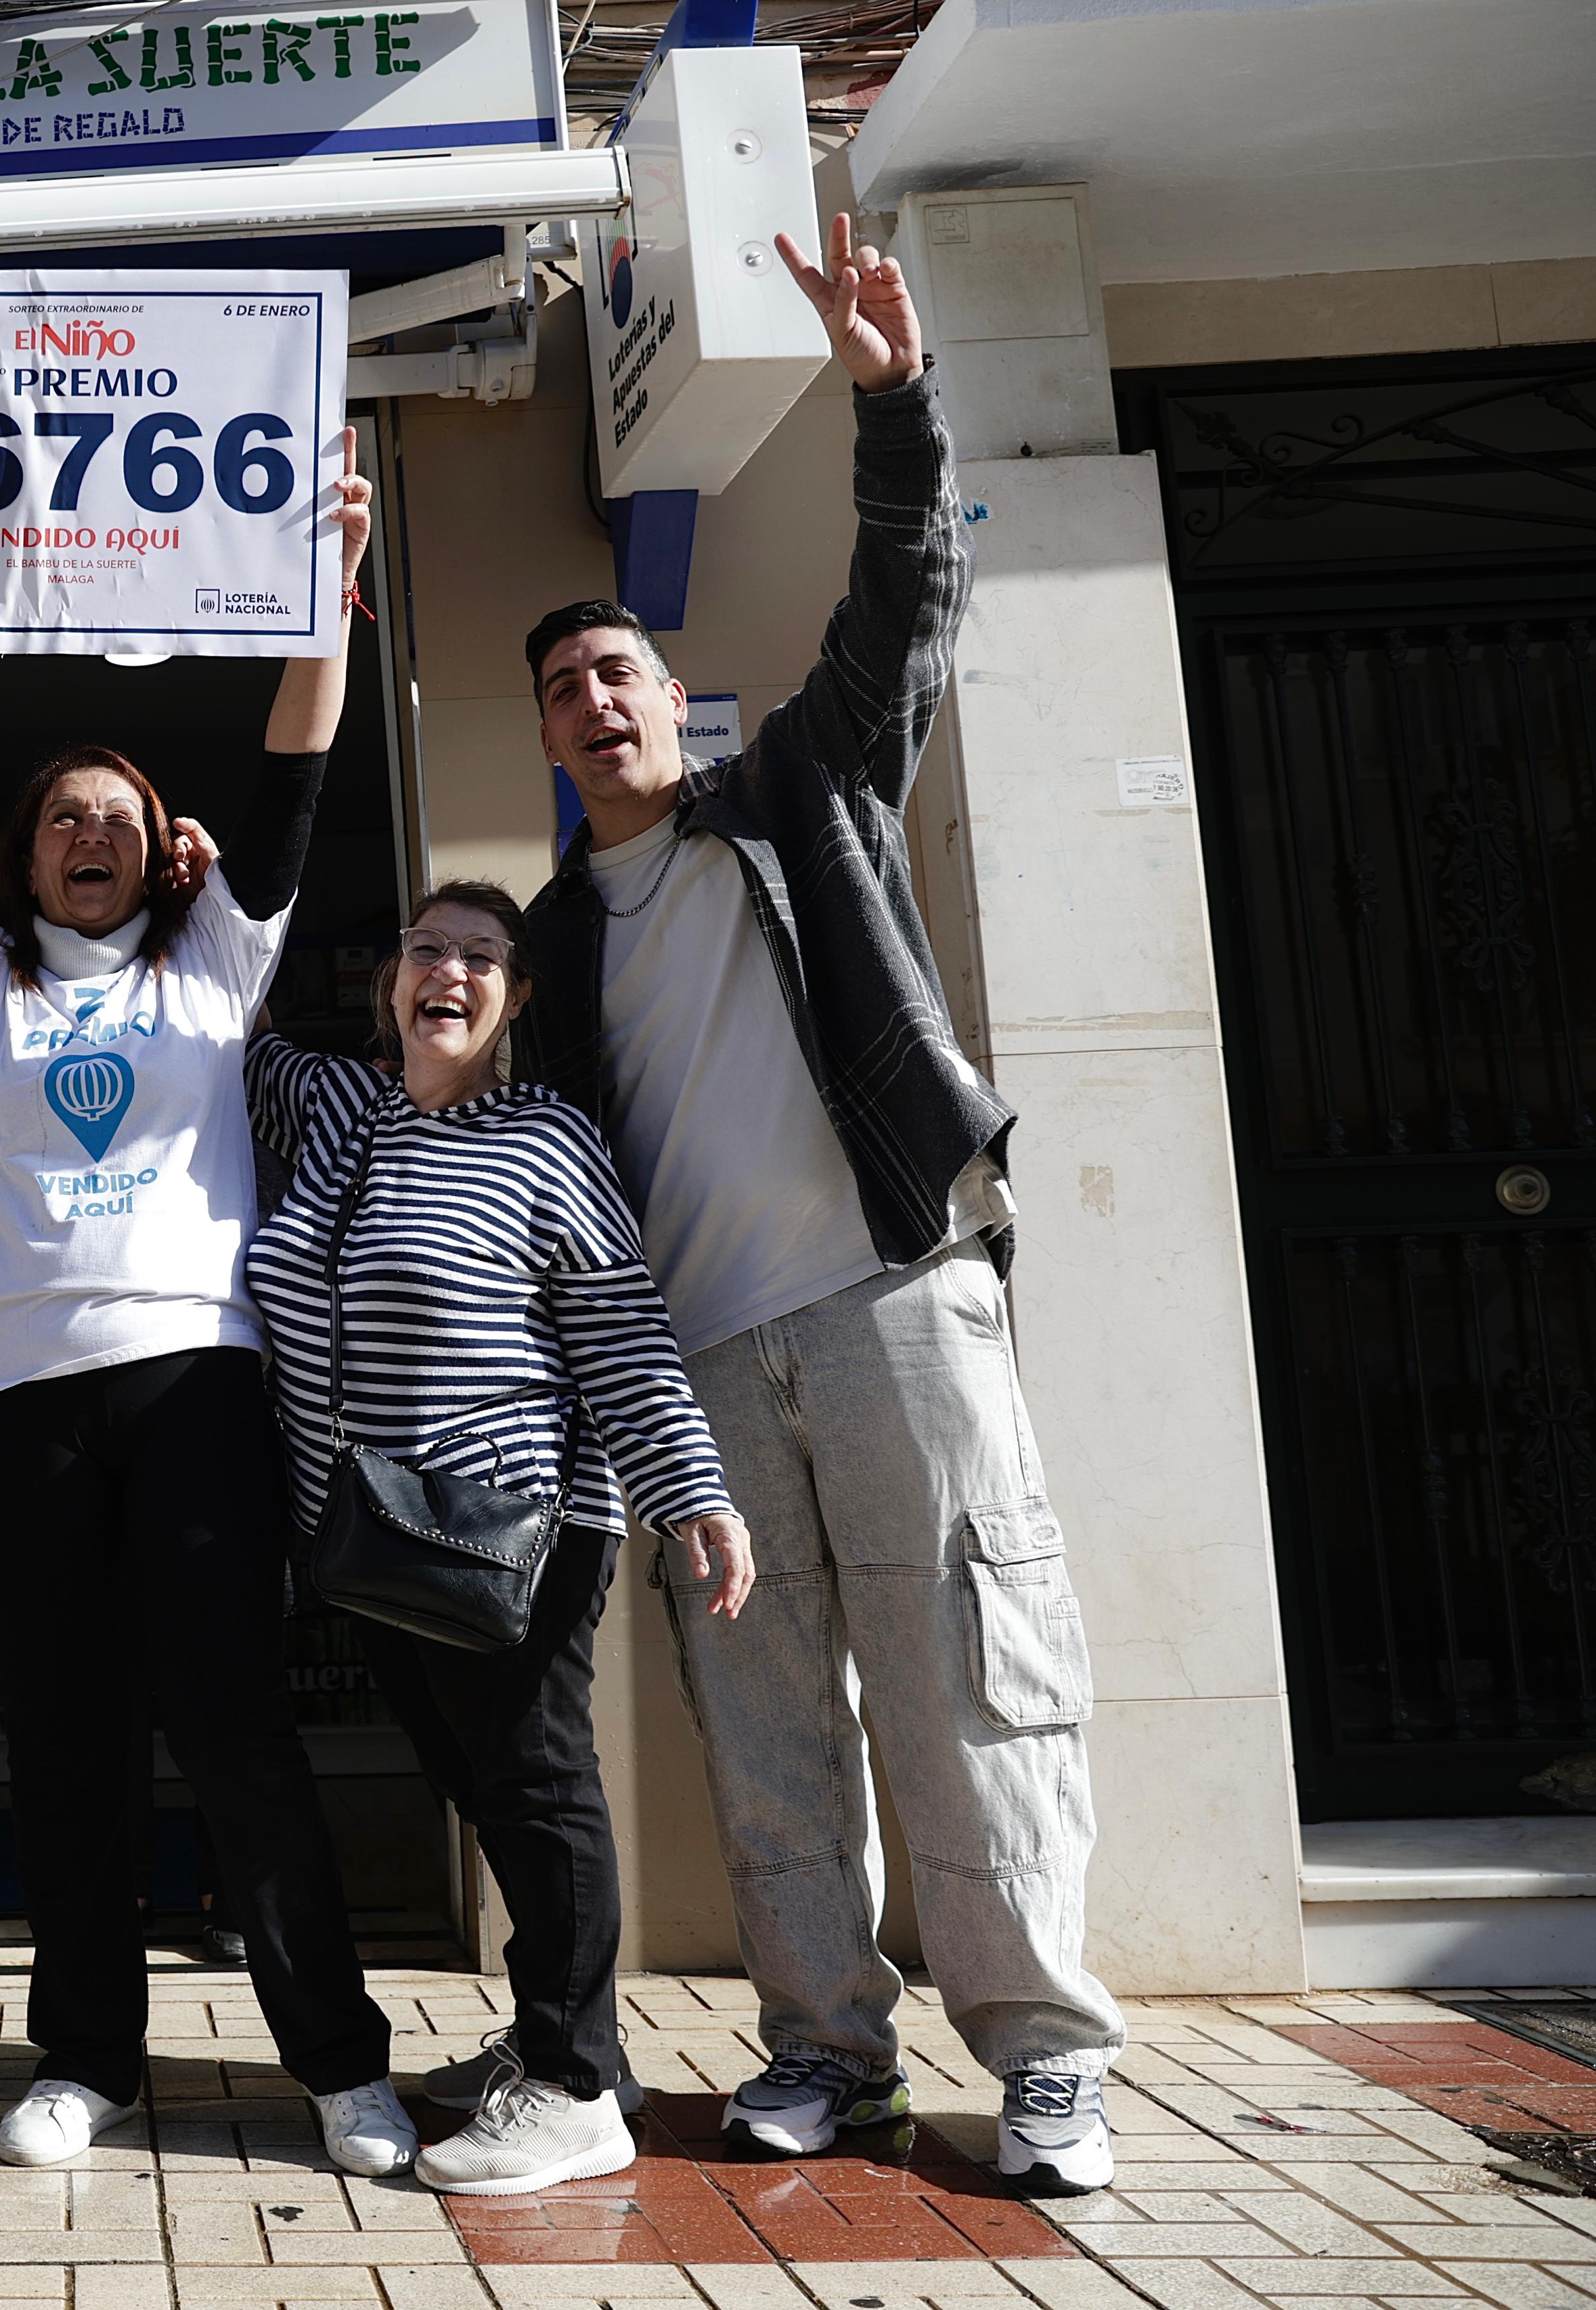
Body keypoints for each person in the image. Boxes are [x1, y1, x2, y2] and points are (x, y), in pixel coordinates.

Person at [512, 215, 1128, 2197]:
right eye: (567, 691)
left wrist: (894, 393)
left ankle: (1044, 2053)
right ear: (543, 740)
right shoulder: (540, 949)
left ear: (669, 693)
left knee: (970, 1674)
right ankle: (825, 2048)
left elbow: (911, 592)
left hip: (890, 1293)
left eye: (620, 670)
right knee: (764, 1719)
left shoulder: (801, 797)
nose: (600, 703)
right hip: (699, 1365)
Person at [0, 461, 414, 2179]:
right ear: (28, 852)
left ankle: (341, 2064)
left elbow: (296, 770)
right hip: (18, 1405)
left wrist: (320, 587)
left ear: (158, 855)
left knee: (233, 1731)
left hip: (197, 1385)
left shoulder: (214, 968)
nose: (91, 835)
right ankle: (87, 2058)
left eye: (120, 819)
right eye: (65, 816)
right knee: (66, 1744)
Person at [242, 881, 753, 2194]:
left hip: (515, 1525)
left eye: (481, 959)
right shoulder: (336, 1114)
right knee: (483, 1791)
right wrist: (202, 887)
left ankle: (577, 2088)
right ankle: (563, 2040)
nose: (449, 975)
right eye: (427, 951)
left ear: (514, 998)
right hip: (372, 1532)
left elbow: (620, 1333)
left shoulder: (545, 1140)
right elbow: (217, 1011)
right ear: (388, 981)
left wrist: (690, 1489)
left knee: (535, 1787)